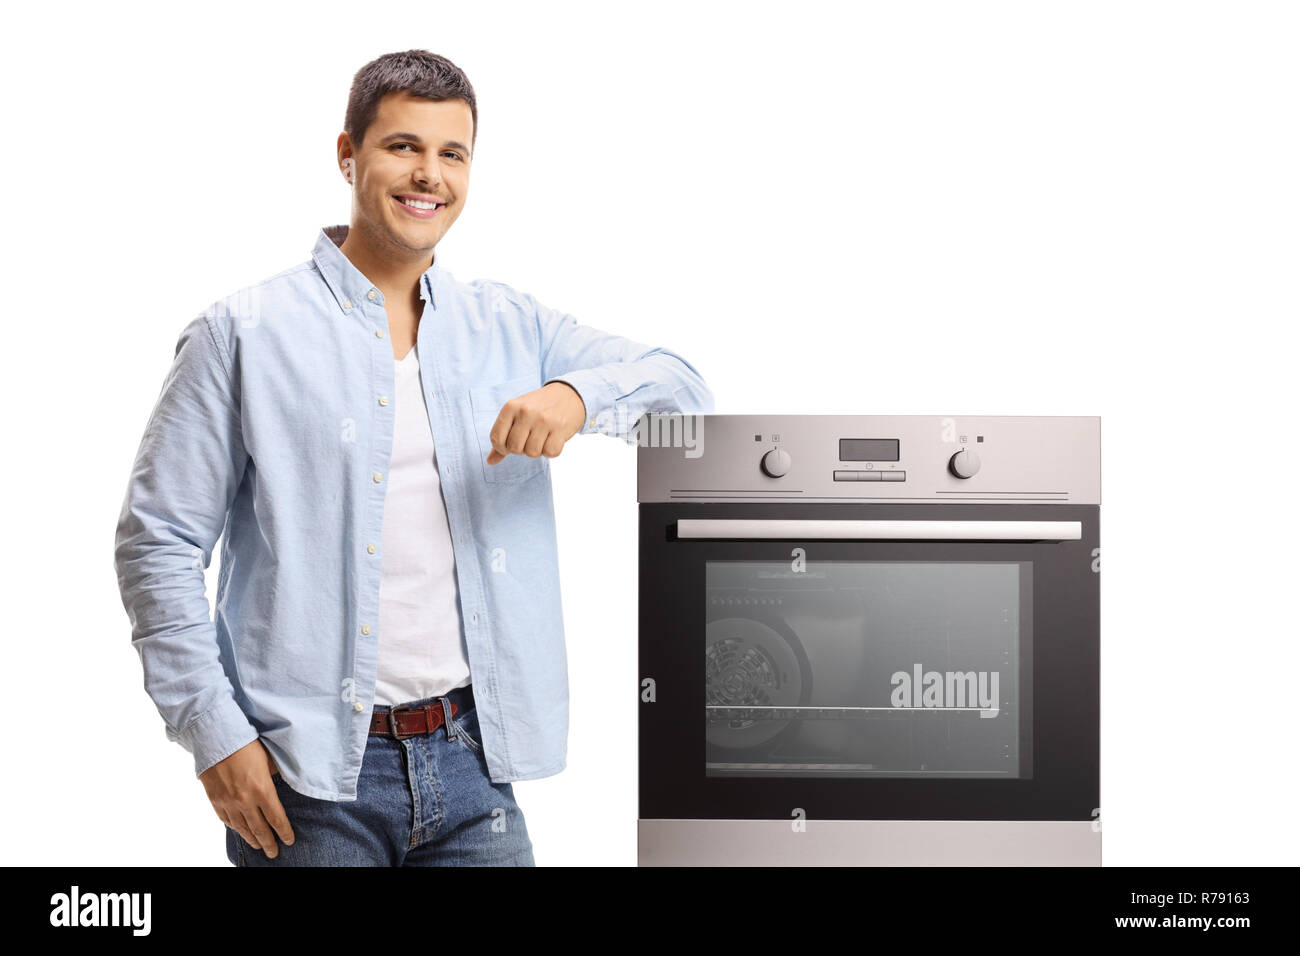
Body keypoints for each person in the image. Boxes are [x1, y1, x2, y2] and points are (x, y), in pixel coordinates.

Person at [112, 49, 714, 867]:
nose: (428, 174)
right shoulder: (242, 334)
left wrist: (576, 397)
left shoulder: (510, 326)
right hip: (307, 781)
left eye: (451, 153)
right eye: (402, 146)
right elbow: (158, 545)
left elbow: (685, 396)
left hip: (475, 769)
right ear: (347, 155)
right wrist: (216, 739)